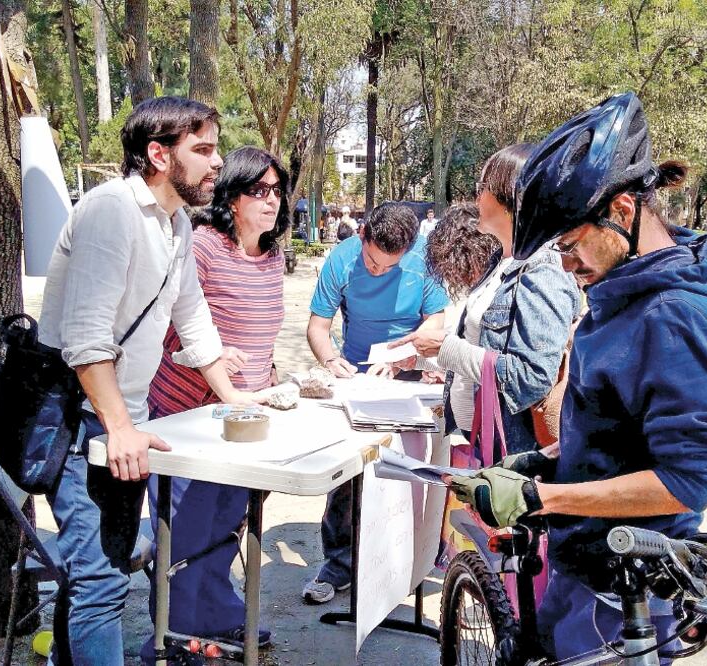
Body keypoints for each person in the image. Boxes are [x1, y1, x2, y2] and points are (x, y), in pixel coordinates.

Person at [446, 92, 707, 661]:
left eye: (570, 243)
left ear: (623, 212)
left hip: (625, 589)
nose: (564, 263)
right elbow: (621, 435)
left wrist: (542, 495)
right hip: (585, 564)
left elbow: (683, 481)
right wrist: (546, 459)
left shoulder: (675, 316)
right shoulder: (621, 291)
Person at [37, 96, 262, 665]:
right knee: (103, 583)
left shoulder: (176, 223)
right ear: (158, 155)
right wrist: (120, 428)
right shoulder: (111, 210)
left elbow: (194, 319)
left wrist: (237, 399)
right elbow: (84, 339)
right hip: (78, 418)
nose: (216, 163)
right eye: (203, 150)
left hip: (122, 424)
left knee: (97, 571)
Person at [140, 147, 290, 663]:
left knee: (229, 522)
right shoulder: (201, 247)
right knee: (184, 529)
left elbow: (264, 336)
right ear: (232, 196)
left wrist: (273, 386)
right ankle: (174, 632)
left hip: (245, 419)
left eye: (276, 191)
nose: (271, 201)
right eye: (259, 190)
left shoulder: (274, 256)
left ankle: (218, 612)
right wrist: (207, 358)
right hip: (186, 418)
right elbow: (162, 328)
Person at [303, 202, 450, 603]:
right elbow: (318, 326)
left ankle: (412, 559)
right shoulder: (342, 257)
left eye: (390, 267)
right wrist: (331, 359)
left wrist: (412, 356)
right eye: (371, 261)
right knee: (349, 471)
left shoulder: (423, 260)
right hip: (354, 374)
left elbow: (436, 322)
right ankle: (339, 564)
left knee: (416, 465)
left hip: (410, 373)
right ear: (363, 235)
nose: (378, 271)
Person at [393, 144, 580, 457]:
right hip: (483, 440)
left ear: (510, 197)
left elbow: (531, 378)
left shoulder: (543, 269)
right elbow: (483, 348)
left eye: (482, 188)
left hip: (516, 452)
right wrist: (425, 358)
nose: (475, 199)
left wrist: (447, 349)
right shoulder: (501, 262)